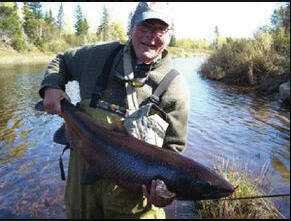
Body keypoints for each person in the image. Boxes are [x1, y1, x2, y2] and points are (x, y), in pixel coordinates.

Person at [39, 2, 189, 219]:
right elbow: (61, 60)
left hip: (134, 199)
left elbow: (173, 151)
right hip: (83, 186)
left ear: (170, 35)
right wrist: (51, 86)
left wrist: (165, 192)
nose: (151, 36)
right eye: (144, 27)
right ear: (131, 28)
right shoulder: (99, 56)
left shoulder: (176, 87)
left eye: (160, 29)